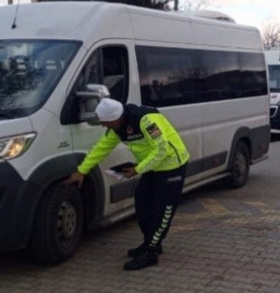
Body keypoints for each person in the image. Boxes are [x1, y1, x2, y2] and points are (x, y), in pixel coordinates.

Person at [64, 98, 190, 271]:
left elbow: (162, 149)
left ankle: (151, 253)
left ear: (116, 118)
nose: (103, 126)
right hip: (151, 169)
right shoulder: (117, 128)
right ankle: (150, 243)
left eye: (105, 122)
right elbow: (100, 148)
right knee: (142, 205)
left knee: (161, 212)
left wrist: (138, 169)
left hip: (171, 167)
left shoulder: (146, 121)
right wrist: (81, 171)